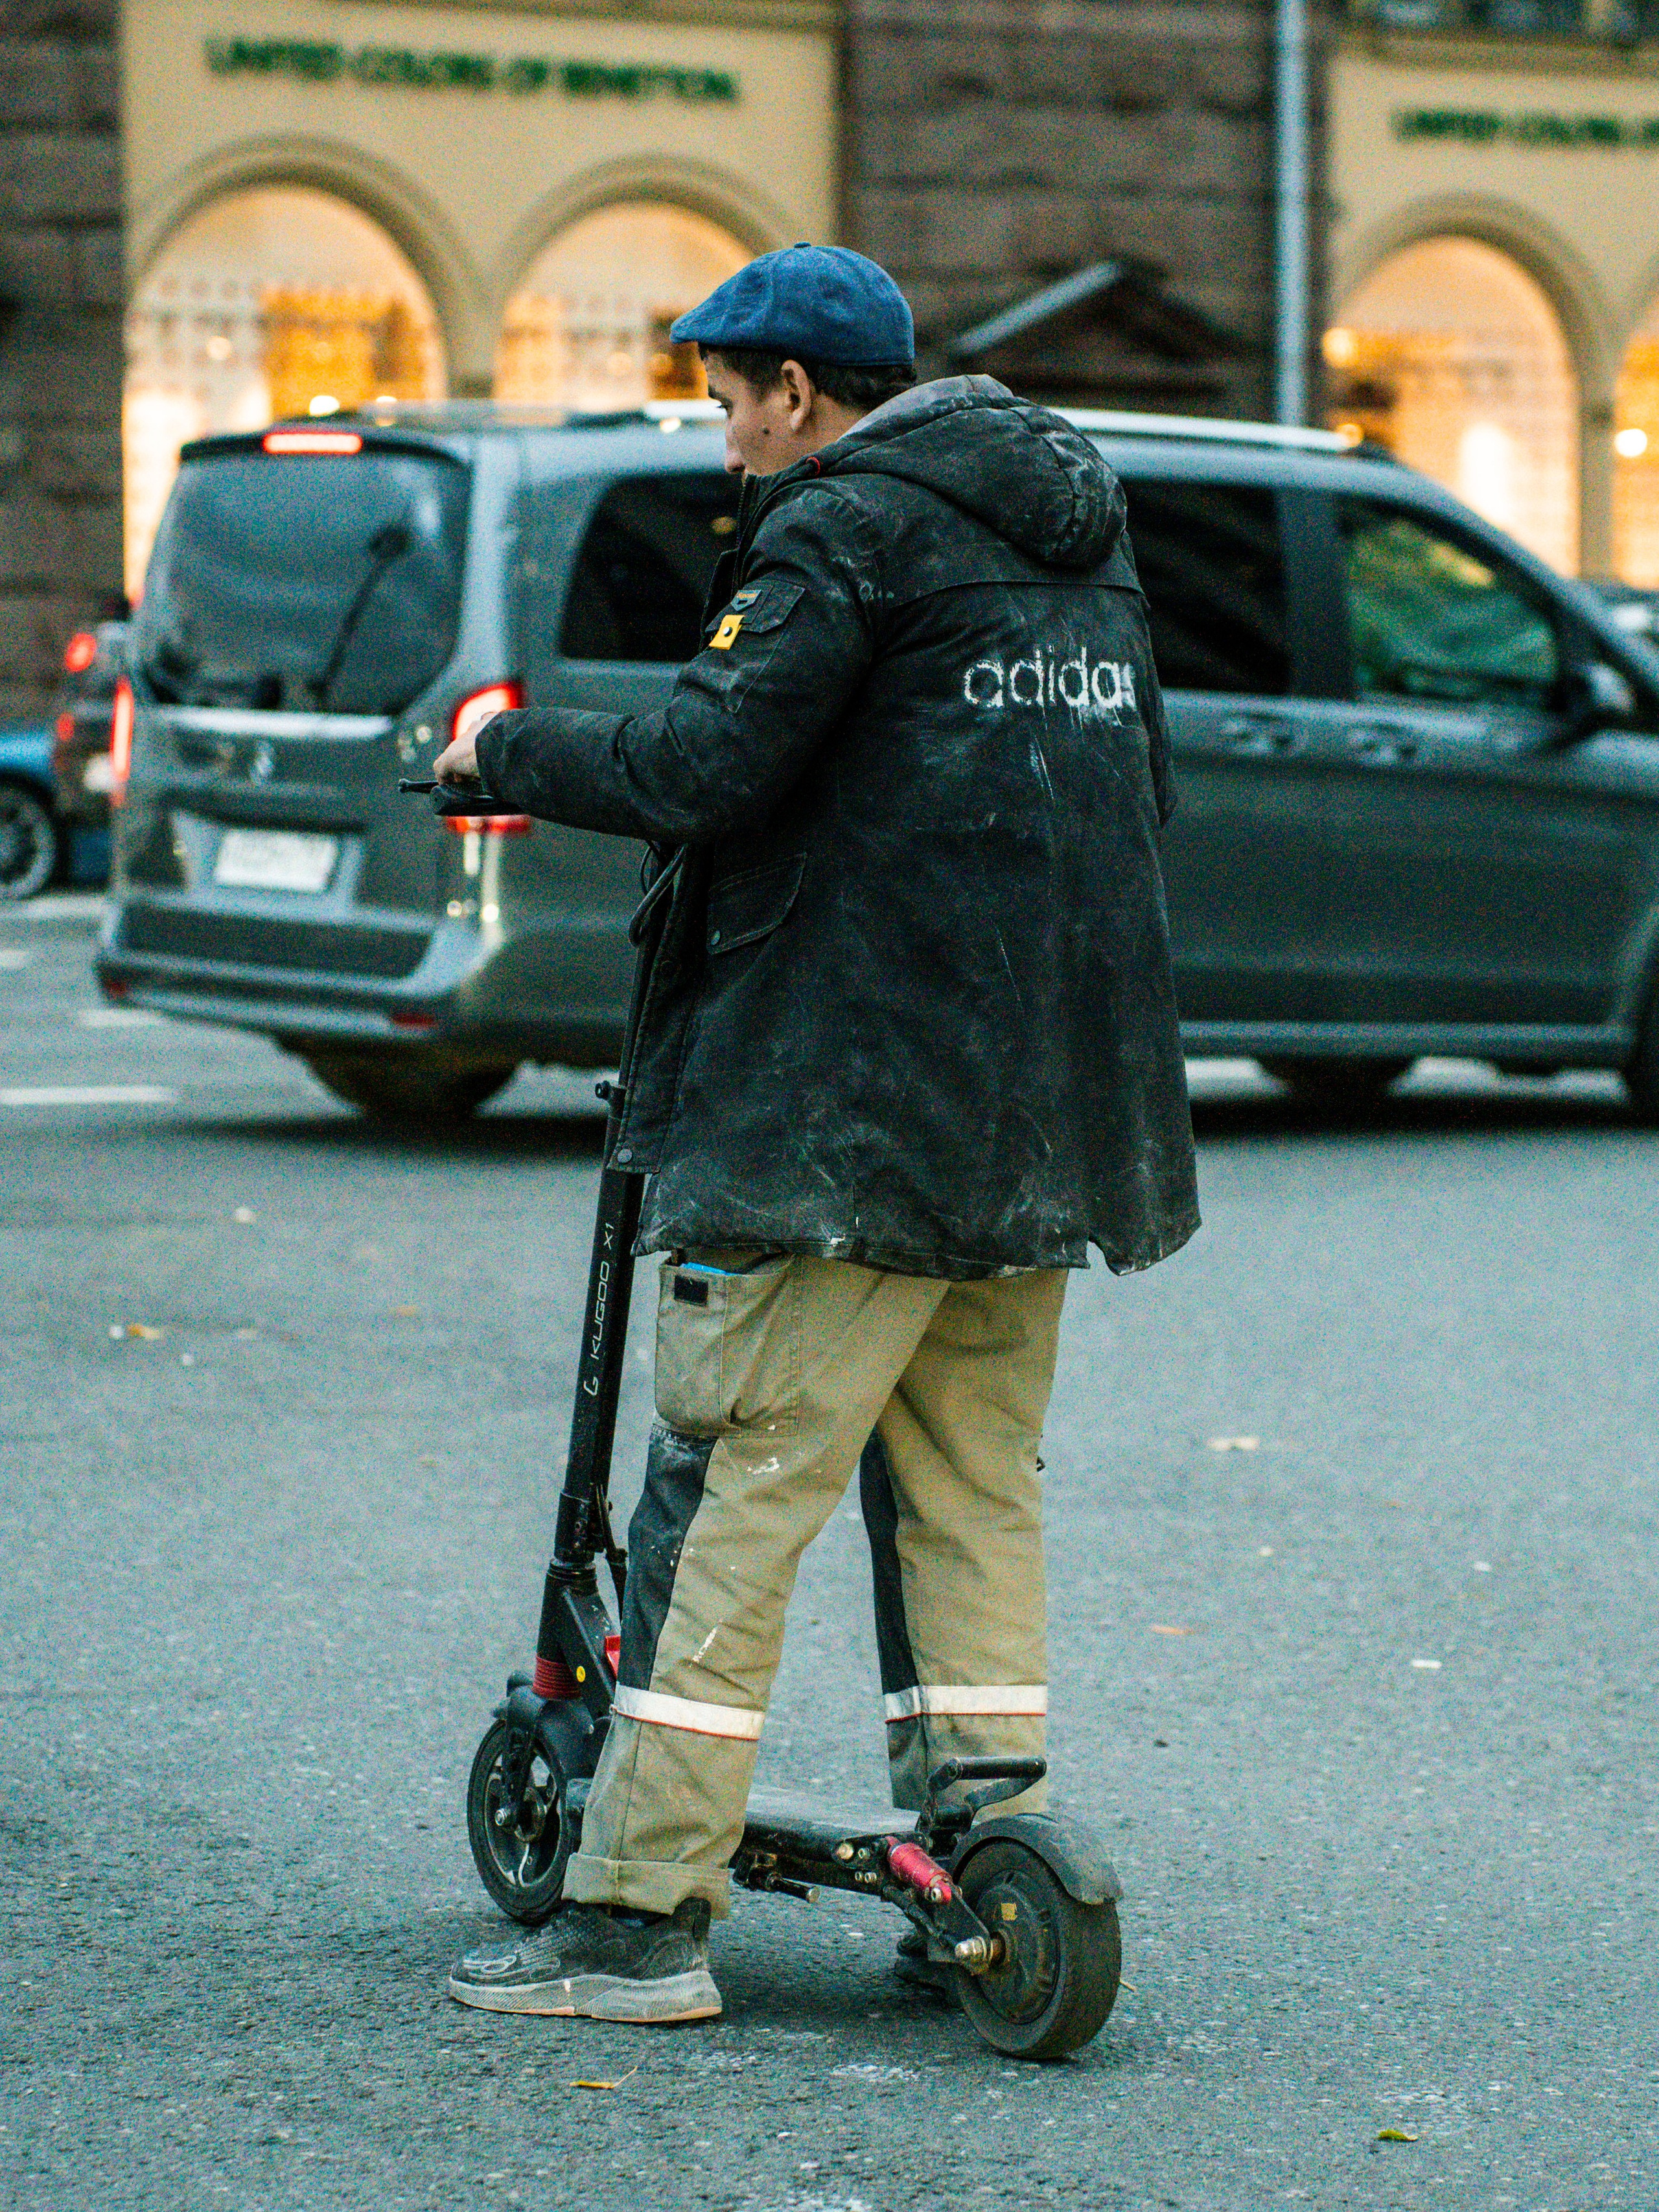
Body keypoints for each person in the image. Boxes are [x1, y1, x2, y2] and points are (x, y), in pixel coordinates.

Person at [438, 244, 1199, 2025]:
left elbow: (712, 763)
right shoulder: (1077, 536)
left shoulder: (840, 527)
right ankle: (978, 1865)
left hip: (844, 1120)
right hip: (1049, 1118)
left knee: (723, 1499)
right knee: (970, 1494)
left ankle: (636, 1920)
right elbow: (1129, 789)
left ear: (795, 390)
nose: (723, 449)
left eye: (727, 406)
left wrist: (508, 758)